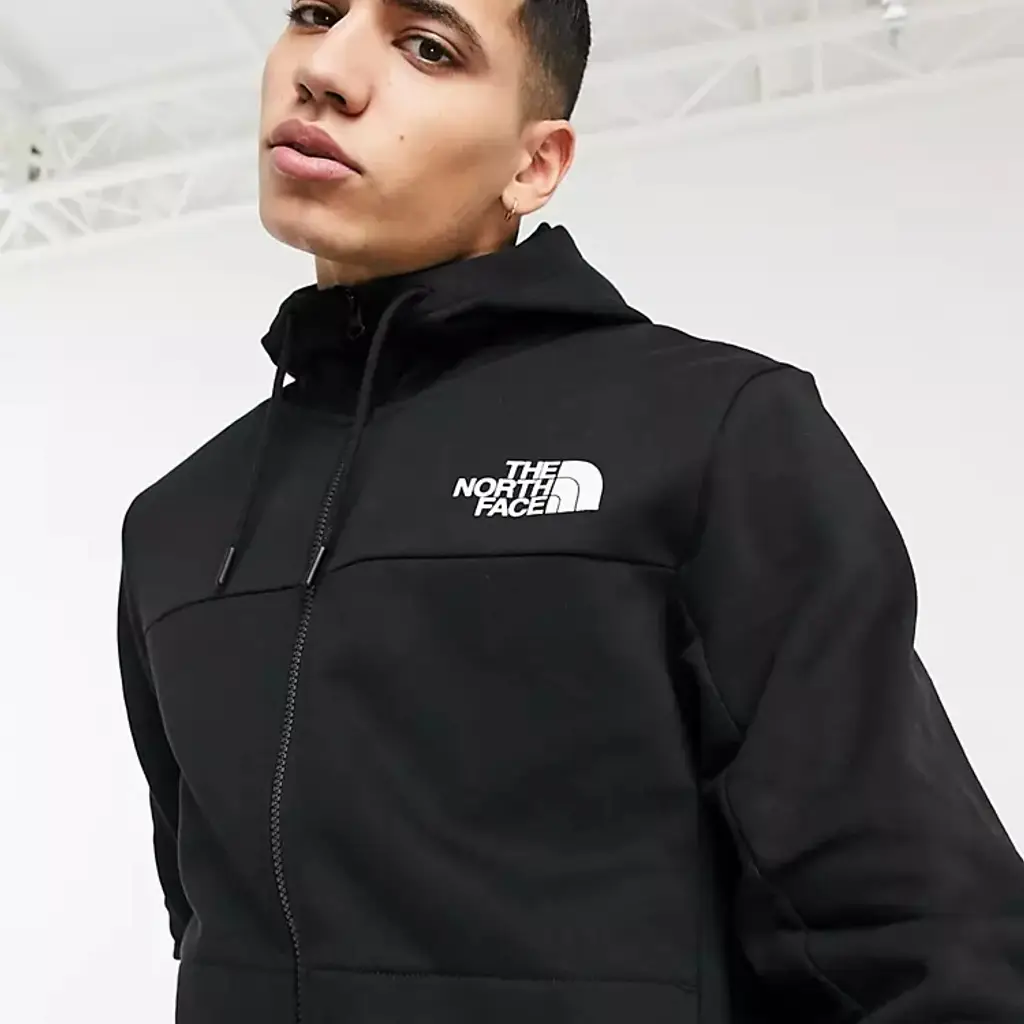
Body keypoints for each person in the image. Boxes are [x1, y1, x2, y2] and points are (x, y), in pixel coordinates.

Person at [116, 1, 1024, 1022]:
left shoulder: (707, 430)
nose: (326, 69)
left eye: (427, 46)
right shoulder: (176, 523)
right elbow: (203, 917)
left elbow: (911, 932)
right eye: (316, 13)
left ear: (534, 164)